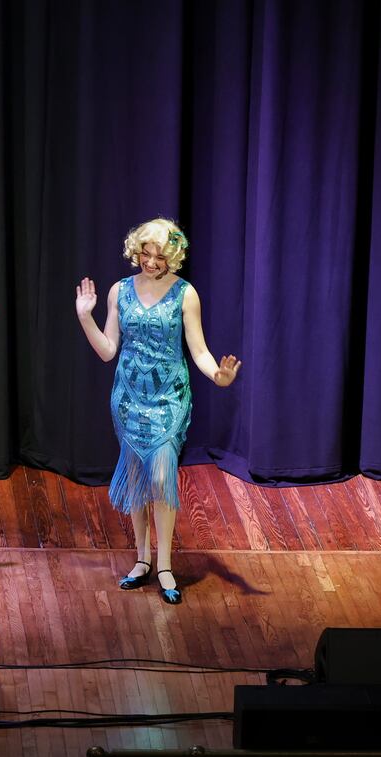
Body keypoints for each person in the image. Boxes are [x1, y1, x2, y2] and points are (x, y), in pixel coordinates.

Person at [74, 218, 241, 604]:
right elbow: (107, 350)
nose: (150, 262)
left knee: (162, 474)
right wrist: (85, 316)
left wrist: (218, 375)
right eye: (145, 254)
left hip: (169, 398)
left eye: (158, 256)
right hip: (129, 398)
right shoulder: (120, 291)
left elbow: (198, 350)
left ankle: (164, 564)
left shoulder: (186, 295)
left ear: (172, 256)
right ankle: (142, 559)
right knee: (135, 475)